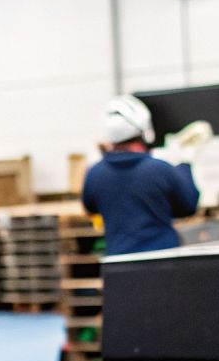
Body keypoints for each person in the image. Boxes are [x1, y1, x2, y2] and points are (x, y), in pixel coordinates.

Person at [80, 95, 209, 254]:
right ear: (144, 129)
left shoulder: (95, 174)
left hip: (118, 263)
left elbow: (90, 207)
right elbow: (188, 206)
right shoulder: (159, 169)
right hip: (161, 260)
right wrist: (185, 163)